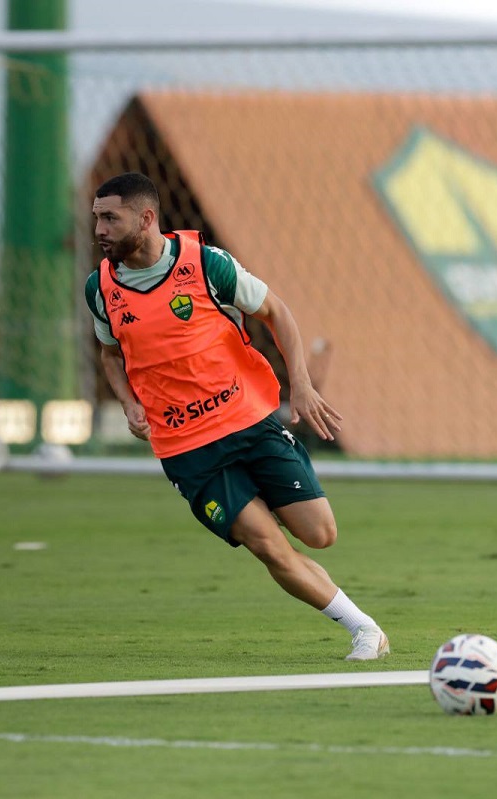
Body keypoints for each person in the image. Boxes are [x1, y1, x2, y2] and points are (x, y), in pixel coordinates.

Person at [86, 172, 388, 661]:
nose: (99, 229)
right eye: (96, 218)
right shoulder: (100, 289)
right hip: (187, 450)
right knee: (268, 546)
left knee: (319, 534)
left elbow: (276, 312)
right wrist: (128, 401)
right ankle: (364, 630)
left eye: (109, 218)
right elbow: (108, 355)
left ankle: (268, 518)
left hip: (248, 420)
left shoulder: (206, 265)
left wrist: (303, 385)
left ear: (145, 219)